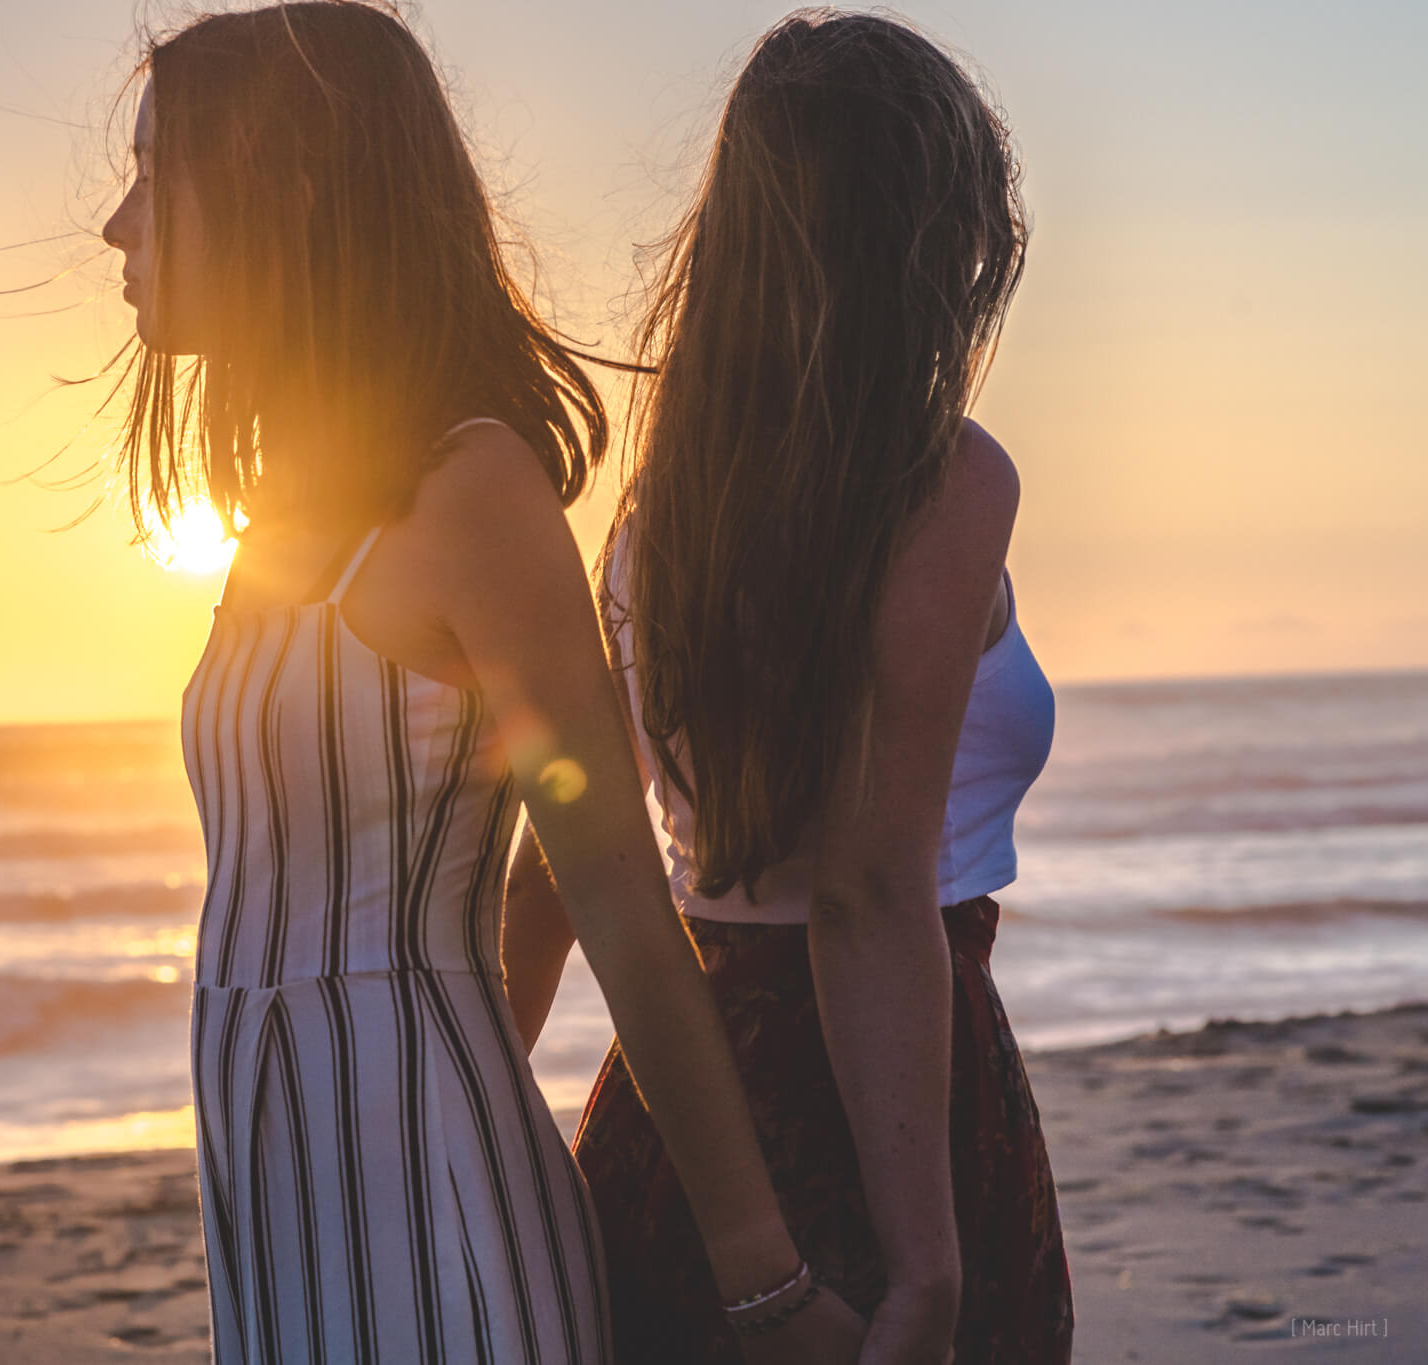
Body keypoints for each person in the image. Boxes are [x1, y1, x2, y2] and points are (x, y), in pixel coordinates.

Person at [99, 3, 866, 1360]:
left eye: (160, 178)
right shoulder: (281, 516)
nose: (121, 226)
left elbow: (618, 898)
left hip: (437, 1214)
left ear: (285, 189)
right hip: (280, 1212)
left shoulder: (475, 491)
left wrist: (763, 1281)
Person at [501, 11, 1074, 1363]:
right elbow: (871, 896)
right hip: (889, 1118)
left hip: (680, 1119)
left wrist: (485, 1104)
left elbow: (560, 853)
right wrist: (927, 1272)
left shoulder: (659, 505)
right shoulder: (943, 482)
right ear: (933, 238)